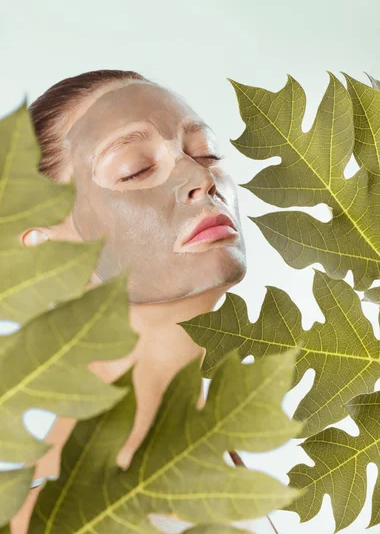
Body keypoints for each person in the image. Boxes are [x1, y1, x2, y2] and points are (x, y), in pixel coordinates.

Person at [11, 69, 247, 533]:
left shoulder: (218, 463)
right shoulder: (50, 520)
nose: (201, 177)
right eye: (135, 169)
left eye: (207, 153)